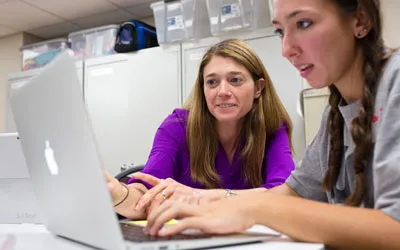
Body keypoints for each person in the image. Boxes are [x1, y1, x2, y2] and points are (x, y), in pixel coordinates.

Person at [142, 0, 400, 249]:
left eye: (304, 23)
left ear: (361, 19)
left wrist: (253, 209)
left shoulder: (395, 84)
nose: (286, 49)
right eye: (280, 31)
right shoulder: (335, 115)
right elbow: (293, 193)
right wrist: (207, 199)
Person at [105, 39, 295, 219]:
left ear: (258, 88)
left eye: (235, 80)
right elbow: (146, 193)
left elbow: (286, 196)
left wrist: (202, 197)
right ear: (202, 89)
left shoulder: (272, 127)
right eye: (212, 82)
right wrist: (118, 193)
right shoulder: (176, 127)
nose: (222, 92)